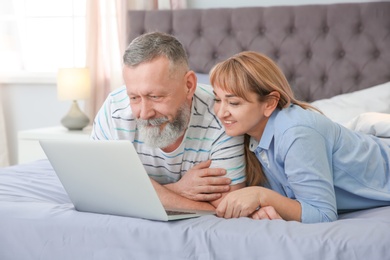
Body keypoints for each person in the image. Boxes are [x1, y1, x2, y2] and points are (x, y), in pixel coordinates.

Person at [210, 51, 390, 223]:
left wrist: (261, 196)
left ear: (270, 103)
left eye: (233, 102)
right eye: (217, 99)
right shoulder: (246, 134)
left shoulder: (296, 133)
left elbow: (323, 215)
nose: (221, 112)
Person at [90, 32, 246, 211]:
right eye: (134, 97)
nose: (144, 113)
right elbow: (98, 188)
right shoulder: (113, 109)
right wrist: (178, 189)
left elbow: (225, 206)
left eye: (155, 96)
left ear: (189, 85)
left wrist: (133, 192)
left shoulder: (223, 116)